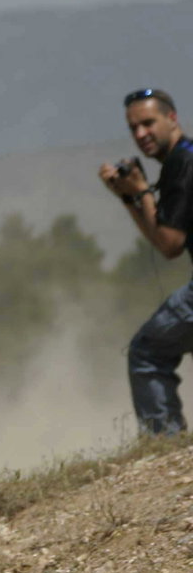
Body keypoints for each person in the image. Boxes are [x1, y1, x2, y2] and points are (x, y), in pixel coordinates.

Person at [99, 88, 193, 432]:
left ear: (172, 118)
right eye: (133, 128)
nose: (141, 134)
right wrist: (130, 199)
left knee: (147, 353)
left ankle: (165, 444)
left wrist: (139, 191)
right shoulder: (181, 160)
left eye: (148, 123)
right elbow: (163, 236)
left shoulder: (183, 163)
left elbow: (169, 244)